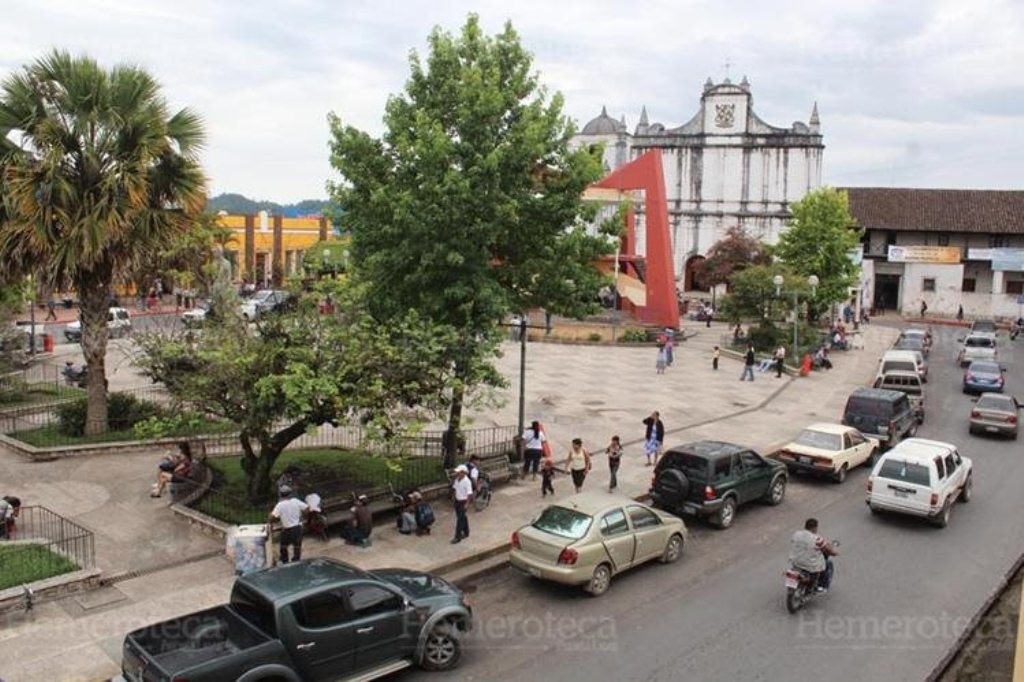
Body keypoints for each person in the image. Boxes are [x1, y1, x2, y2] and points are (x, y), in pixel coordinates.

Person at [789, 518, 839, 592]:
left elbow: (794, 542)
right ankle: (822, 586)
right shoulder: (817, 539)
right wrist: (835, 553)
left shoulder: (796, 534)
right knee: (828, 563)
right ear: (815, 527)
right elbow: (828, 550)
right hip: (809, 565)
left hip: (795, 561)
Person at [269, 485, 308, 563]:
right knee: (297, 547)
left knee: (283, 547)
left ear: (281, 494)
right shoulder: (296, 501)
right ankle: (296, 562)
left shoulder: (280, 505)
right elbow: (307, 508)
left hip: (287, 529)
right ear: (290, 493)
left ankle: (285, 562)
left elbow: (271, 517)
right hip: (297, 528)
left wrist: (270, 517)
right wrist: (302, 517)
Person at [451, 465, 473, 544]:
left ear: (463, 473)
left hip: (463, 501)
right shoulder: (457, 480)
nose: (457, 473)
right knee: (462, 517)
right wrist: (453, 497)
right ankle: (466, 531)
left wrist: (467, 504)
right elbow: (454, 489)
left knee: (460, 519)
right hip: (457, 501)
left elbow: (469, 494)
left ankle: (458, 536)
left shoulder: (467, 482)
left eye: (459, 472)